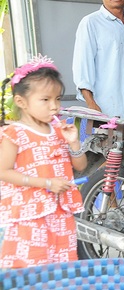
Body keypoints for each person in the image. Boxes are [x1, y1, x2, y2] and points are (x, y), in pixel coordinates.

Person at [0, 56, 87, 268]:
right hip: (29, 215)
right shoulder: (14, 133)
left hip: (60, 214)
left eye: (58, 99)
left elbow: (81, 166)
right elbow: (3, 171)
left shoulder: (59, 131)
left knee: (61, 268)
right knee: (31, 267)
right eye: (45, 100)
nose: (54, 106)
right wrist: (47, 184)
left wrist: (74, 143)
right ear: (21, 102)